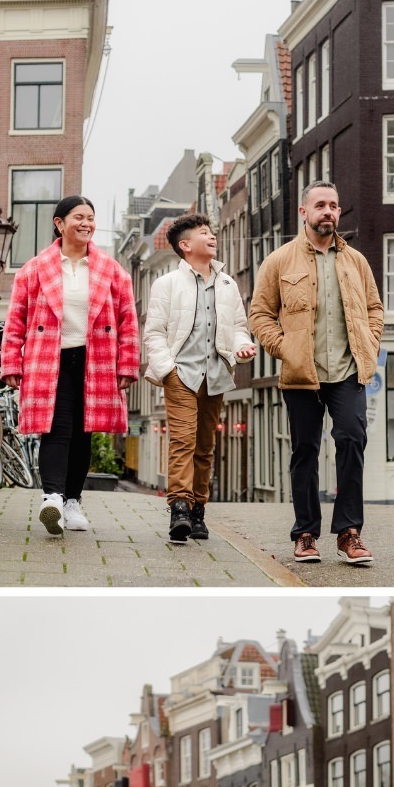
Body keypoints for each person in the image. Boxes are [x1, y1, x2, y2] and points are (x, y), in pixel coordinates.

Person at [248, 181, 384, 566]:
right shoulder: (279, 260)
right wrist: (285, 348)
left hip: (347, 370)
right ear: (304, 212)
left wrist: (370, 344)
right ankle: (305, 533)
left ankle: (349, 533)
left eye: (335, 206)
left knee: (352, 440)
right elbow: (259, 314)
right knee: (305, 450)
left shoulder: (356, 261)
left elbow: (375, 308)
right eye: (321, 205)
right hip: (301, 374)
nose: (329, 211)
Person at [0, 195, 140, 536]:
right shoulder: (34, 270)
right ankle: (52, 499)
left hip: (96, 360)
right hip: (50, 359)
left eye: (90, 217)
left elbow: (127, 321)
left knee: (84, 432)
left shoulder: (112, 271)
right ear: (59, 224)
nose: (87, 223)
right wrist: (11, 364)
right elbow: (15, 320)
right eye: (79, 217)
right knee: (56, 427)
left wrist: (127, 367)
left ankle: (73, 501)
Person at [143, 213, 256, 542]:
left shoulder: (227, 284)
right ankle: (179, 507)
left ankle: (198, 511)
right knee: (182, 441)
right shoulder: (167, 284)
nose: (212, 237)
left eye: (212, 233)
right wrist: (168, 370)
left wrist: (242, 346)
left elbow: (237, 327)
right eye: (204, 233)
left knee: (206, 446)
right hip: (181, 375)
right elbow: (154, 333)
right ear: (185, 245)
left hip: (217, 374)